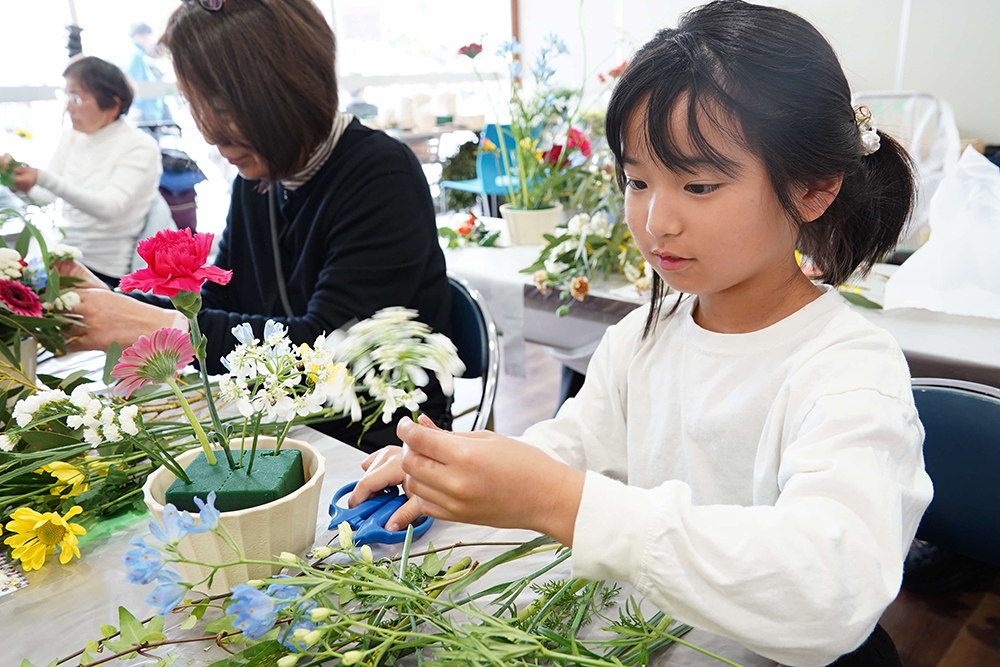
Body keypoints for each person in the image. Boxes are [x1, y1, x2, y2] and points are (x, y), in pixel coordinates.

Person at [350, 1, 934, 665]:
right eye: (636, 179)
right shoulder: (644, 337)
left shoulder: (848, 367)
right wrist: (457, 467)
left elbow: (830, 588)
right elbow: (579, 445)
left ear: (812, 189)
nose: (657, 219)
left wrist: (564, 502)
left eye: (700, 184)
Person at [65, 0, 452, 451]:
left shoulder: (381, 175)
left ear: (292, 87)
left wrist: (163, 326)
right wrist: (116, 304)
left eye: (224, 105)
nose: (210, 133)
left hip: (375, 438)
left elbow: (326, 353)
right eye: (197, 105)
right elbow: (222, 297)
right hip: (280, 418)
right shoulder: (261, 175)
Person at [1, 57, 162, 287]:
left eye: (76, 98)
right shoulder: (72, 136)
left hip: (106, 269)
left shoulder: (140, 146)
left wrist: (42, 177)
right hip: (63, 256)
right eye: (67, 96)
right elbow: (45, 197)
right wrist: (16, 182)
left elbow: (110, 208)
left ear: (112, 105)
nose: (68, 107)